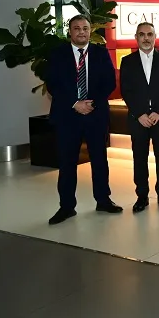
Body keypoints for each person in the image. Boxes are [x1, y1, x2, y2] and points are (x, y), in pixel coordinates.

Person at [46, 15, 122, 225]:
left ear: (90, 31)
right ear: (70, 31)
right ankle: (66, 206)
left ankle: (103, 200)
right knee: (67, 162)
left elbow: (109, 82)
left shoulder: (100, 53)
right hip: (67, 115)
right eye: (77, 28)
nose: (81, 32)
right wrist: (75, 103)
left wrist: (91, 103)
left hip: (95, 115)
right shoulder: (58, 54)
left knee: (99, 160)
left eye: (85, 28)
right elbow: (53, 84)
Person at [119, 22, 159, 213]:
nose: (146, 38)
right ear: (136, 37)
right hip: (138, 119)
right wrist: (139, 114)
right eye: (142, 34)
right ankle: (142, 196)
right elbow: (126, 91)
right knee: (139, 157)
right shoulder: (127, 61)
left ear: (155, 37)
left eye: (149, 34)